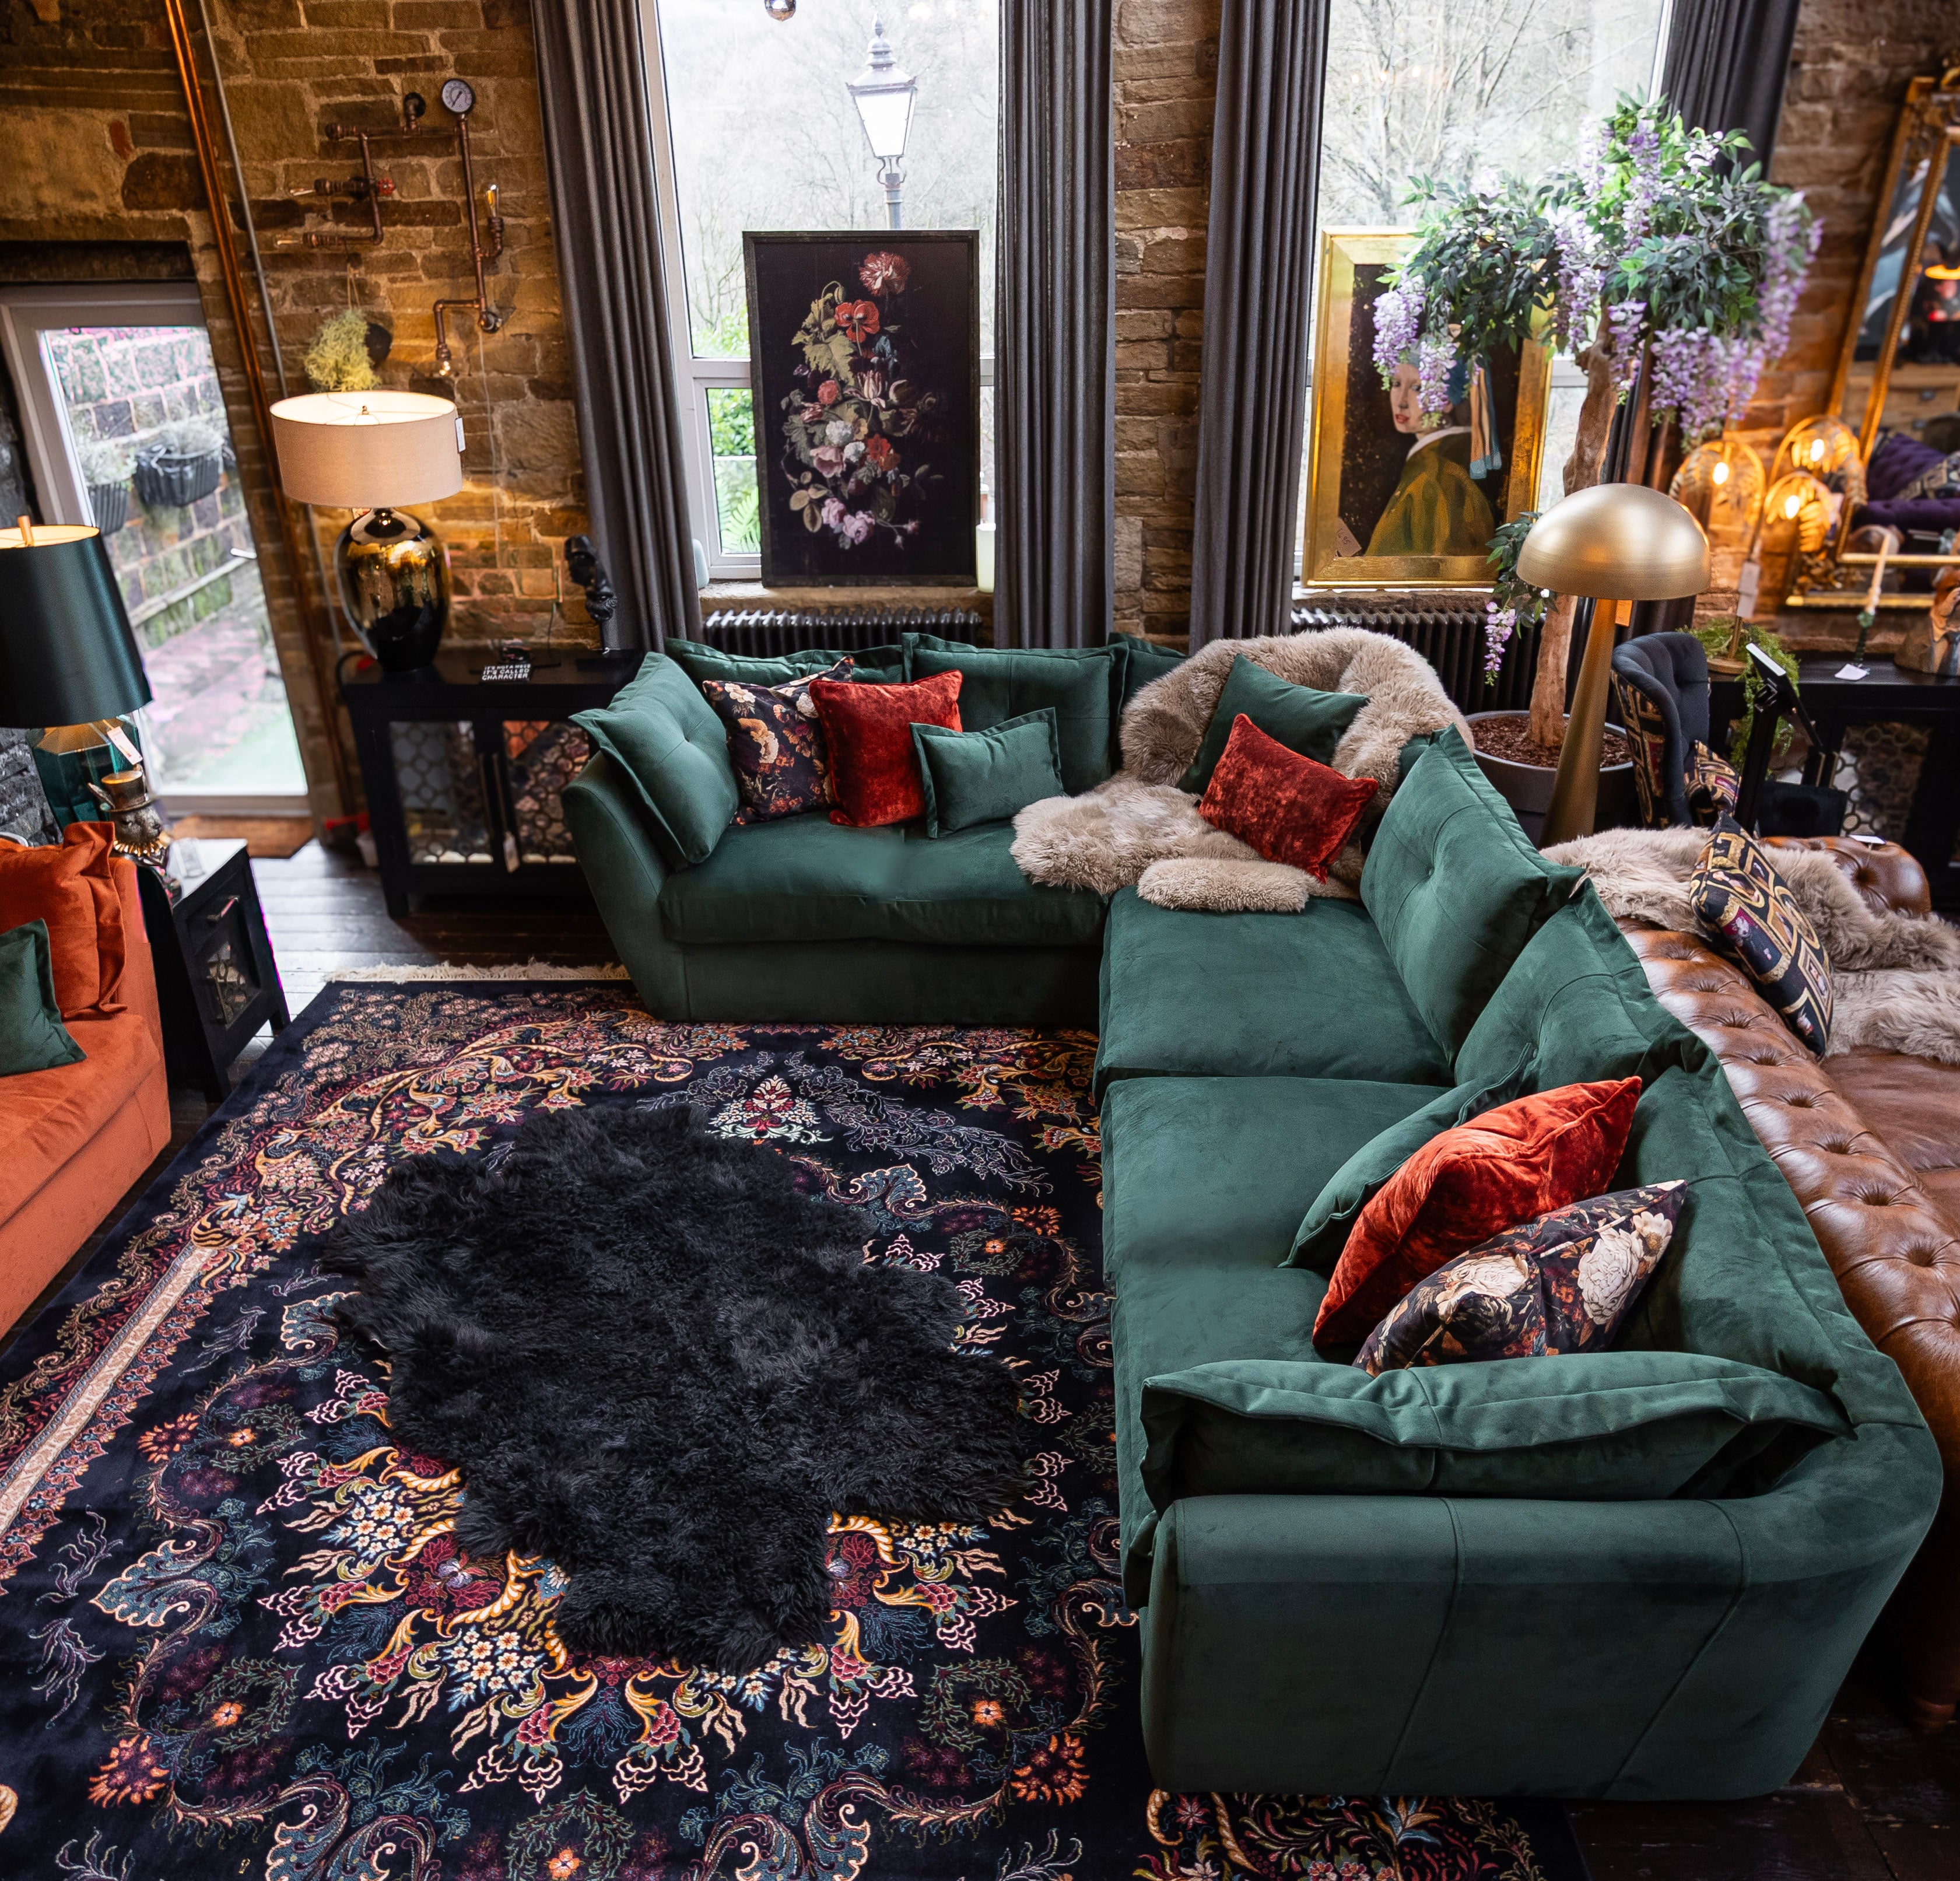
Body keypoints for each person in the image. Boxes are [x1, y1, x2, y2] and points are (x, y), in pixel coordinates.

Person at [1365, 359, 1496, 558]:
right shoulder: (1428, 468)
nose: (1401, 401)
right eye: (1396, 384)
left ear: (1446, 401)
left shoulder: (1436, 477)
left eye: (1417, 388)